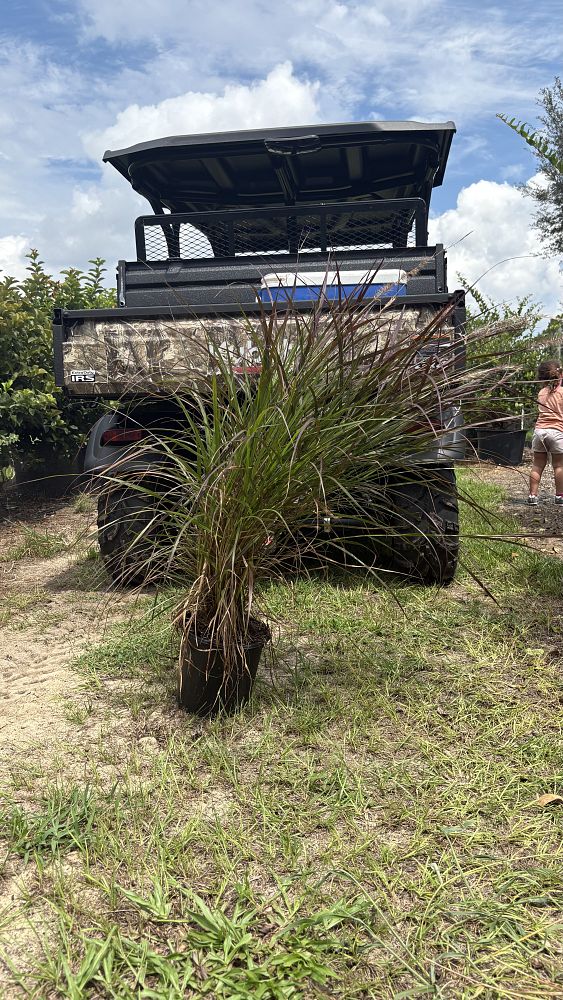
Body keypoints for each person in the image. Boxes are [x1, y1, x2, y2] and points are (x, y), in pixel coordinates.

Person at [528, 359, 563, 504]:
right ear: (560, 375)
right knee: (559, 465)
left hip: (539, 431)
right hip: (556, 431)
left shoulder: (541, 393)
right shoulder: (562, 392)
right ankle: (560, 496)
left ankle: (532, 496)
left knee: (537, 465)